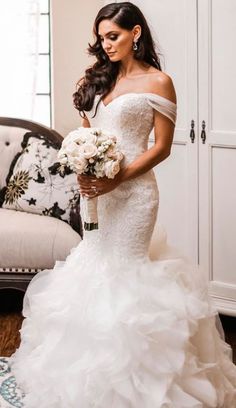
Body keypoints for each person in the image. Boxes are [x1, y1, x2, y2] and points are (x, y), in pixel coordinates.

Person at [4, 2, 236, 407]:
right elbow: (88, 136)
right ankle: (87, 374)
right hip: (96, 193)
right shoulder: (100, 80)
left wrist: (116, 179)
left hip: (134, 195)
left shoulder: (159, 82)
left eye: (113, 36)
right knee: (92, 266)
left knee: (125, 274)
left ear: (136, 34)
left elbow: (161, 148)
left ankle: (139, 380)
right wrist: (84, 167)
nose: (105, 44)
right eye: (102, 37)